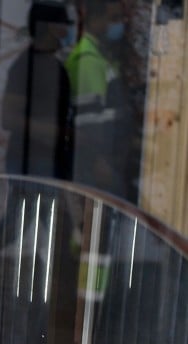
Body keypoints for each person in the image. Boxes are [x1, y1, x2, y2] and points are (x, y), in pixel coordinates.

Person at [65, 0, 134, 200]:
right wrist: (98, 162)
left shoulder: (99, 56)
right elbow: (88, 122)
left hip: (106, 161)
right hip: (98, 166)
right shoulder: (88, 61)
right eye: (113, 18)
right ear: (94, 19)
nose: (119, 24)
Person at [2, 1, 74, 179]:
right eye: (64, 24)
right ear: (51, 27)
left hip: (50, 161)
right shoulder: (24, 67)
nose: (67, 32)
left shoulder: (56, 67)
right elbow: (8, 119)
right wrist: (51, 131)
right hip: (30, 163)